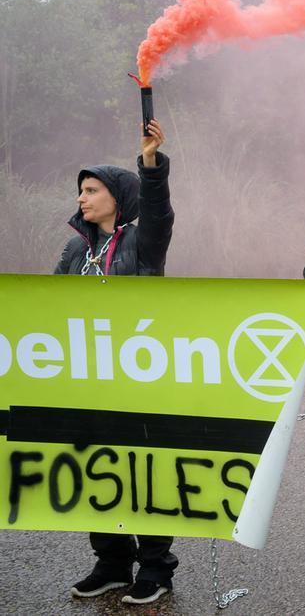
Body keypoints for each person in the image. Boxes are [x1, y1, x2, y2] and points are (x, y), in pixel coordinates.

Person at [58, 119, 178, 605]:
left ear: (117, 195)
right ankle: (111, 562)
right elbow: (50, 311)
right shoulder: (73, 249)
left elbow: (159, 210)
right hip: (88, 380)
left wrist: (150, 162)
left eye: (91, 190)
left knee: (143, 471)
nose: (82, 198)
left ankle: (155, 569)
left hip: (138, 379)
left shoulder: (142, 241)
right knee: (96, 470)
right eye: (80, 191)